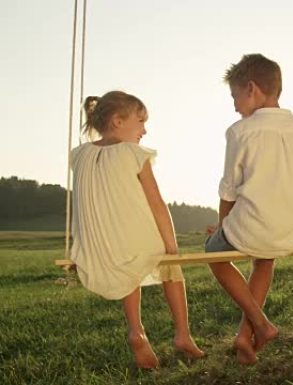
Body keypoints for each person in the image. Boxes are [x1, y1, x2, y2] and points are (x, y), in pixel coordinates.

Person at [70, 91, 204, 369]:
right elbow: (156, 203)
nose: (145, 129)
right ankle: (182, 334)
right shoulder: (132, 153)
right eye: (140, 121)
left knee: (126, 266)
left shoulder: (80, 154)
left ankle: (136, 330)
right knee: (170, 267)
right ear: (118, 121)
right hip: (136, 241)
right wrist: (171, 245)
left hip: (98, 248)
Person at [204, 53, 293, 365]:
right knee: (263, 260)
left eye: (235, 96)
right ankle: (245, 335)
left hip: (254, 227)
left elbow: (229, 190)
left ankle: (261, 324)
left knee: (212, 254)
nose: (234, 105)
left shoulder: (240, 131)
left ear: (251, 89)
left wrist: (223, 227)